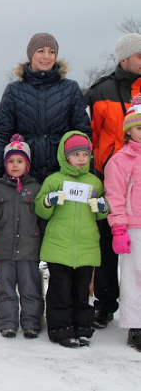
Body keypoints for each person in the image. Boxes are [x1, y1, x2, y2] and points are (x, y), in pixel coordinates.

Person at [87, 32, 141, 329]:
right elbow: (91, 135)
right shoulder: (100, 91)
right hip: (109, 177)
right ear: (124, 58)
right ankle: (105, 303)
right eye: (140, 56)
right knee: (106, 243)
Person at [35, 131, 109, 348]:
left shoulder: (94, 182)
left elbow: (101, 213)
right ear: (65, 156)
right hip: (59, 247)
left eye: (85, 154)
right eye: (76, 154)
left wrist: (102, 207)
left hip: (86, 247)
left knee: (82, 292)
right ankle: (61, 330)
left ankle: (82, 328)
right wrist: (48, 201)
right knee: (60, 292)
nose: (81, 159)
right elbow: (40, 209)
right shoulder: (54, 180)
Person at [0, 33, 92, 185]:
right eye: (40, 51)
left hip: (62, 175)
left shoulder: (70, 89)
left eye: (51, 51)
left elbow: (83, 134)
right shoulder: (14, 91)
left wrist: (88, 172)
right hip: (25, 177)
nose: (46, 56)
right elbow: (3, 136)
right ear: (31, 55)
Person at [0, 134, 44, 339]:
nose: (15, 165)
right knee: (5, 289)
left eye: (20, 161)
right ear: (5, 164)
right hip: (3, 248)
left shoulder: (36, 189)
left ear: (27, 164)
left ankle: (31, 322)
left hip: (29, 248)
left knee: (30, 288)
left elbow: (43, 220)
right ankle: (7, 322)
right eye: (11, 161)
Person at [104, 94, 141, 351]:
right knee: (134, 276)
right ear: (129, 131)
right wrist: (118, 228)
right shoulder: (120, 160)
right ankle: (136, 326)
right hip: (134, 226)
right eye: (139, 128)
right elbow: (115, 196)